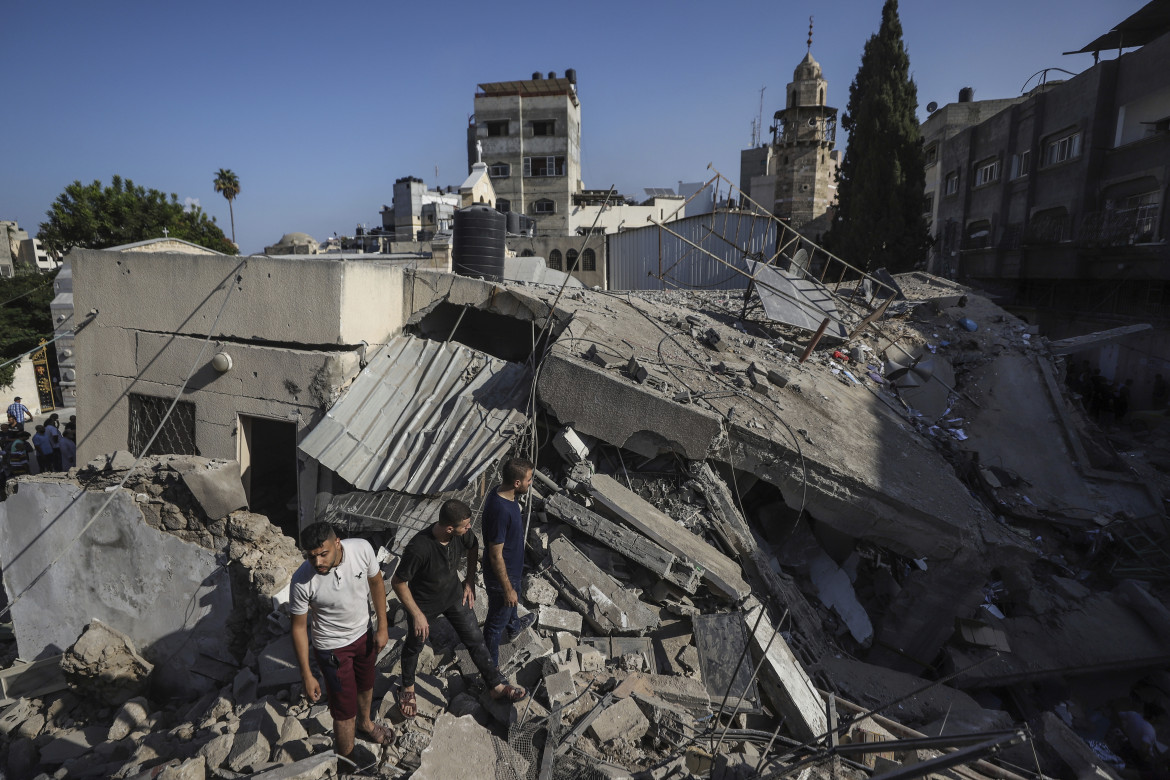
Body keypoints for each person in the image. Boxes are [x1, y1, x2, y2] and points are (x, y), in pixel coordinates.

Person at [391, 500, 526, 719]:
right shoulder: (419, 548)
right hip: (423, 605)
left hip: (454, 596)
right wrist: (416, 614)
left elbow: (474, 546)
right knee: (414, 645)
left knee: (475, 639)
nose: (469, 528)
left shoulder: (461, 535)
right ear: (449, 528)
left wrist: (469, 581)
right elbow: (398, 582)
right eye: (465, 525)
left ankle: (495, 685)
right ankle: (407, 688)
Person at [289, 523, 392, 760]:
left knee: (366, 684)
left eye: (323, 554)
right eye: (311, 556)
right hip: (331, 648)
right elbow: (298, 627)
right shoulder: (302, 580)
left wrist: (382, 627)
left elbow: (376, 582)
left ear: (337, 543)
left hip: (364, 635)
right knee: (344, 711)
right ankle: (346, 763)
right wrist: (306, 674)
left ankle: (365, 724)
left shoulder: (361, 549)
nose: (317, 563)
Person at [482, 457, 537, 667]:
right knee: (495, 625)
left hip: (513, 569)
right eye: (528, 479)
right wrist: (506, 588)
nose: (530, 483)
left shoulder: (504, 493)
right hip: (502, 577)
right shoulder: (501, 510)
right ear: (517, 483)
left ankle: (514, 627)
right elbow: (495, 555)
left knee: (514, 600)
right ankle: (491, 672)